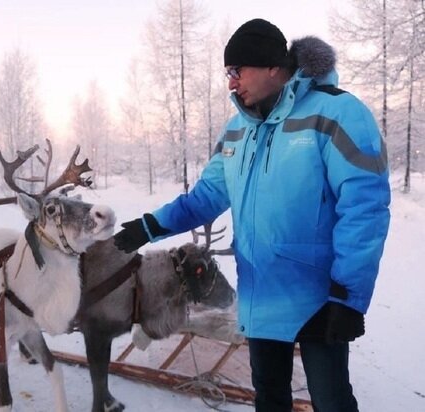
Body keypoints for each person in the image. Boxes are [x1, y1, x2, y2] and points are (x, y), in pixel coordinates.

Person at [114, 18, 391, 412]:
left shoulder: (335, 113)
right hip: (260, 294)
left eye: (237, 70)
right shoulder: (237, 131)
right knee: (270, 401)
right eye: (228, 73)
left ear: (273, 68)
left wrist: (348, 297)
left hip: (319, 298)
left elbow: (364, 208)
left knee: (332, 403)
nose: (231, 82)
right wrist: (150, 226)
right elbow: (207, 195)